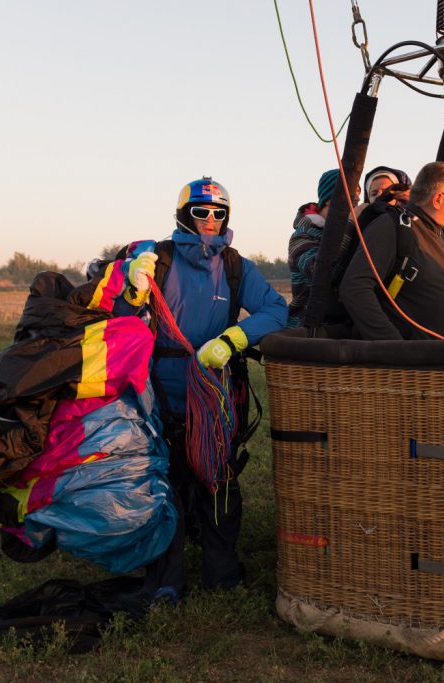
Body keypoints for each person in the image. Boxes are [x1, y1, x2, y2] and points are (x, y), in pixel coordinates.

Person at [114, 177, 288, 601]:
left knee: (219, 481)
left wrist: (233, 340)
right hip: (159, 398)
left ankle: (222, 573)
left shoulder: (234, 266)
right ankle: (166, 579)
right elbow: (119, 316)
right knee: (164, 485)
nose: (210, 221)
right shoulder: (159, 258)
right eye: (201, 212)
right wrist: (131, 287)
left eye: (219, 214)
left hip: (215, 397)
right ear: (183, 214)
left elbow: (276, 310)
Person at [338, 161, 444, 341]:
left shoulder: (439, 235)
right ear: (438, 199)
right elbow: (354, 288)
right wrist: (394, 346)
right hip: (407, 364)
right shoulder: (393, 227)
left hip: (437, 359)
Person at [286, 169, 362, 328]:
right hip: (308, 329)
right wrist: (350, 222)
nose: (357, 198)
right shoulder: (303, 235)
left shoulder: (353, 233)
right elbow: (322, 273)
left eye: (358, 192)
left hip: (341, 326)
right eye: (351, 191)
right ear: (329, 198)